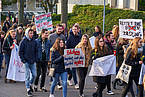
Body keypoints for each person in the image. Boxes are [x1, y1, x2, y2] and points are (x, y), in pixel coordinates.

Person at [19, 28, 38, 97]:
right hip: (26, 61)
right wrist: (23, 60)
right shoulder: (23, 41)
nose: (32, 35)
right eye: (30, 33)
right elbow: (20, 51)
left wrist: (36, 58)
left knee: (34, 75)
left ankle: (30, 84)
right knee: (27, 76)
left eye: (32, 33)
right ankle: (28, 89)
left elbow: (36, 50)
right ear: (27, 33)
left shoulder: (34, 41)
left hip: (33, 61)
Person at [48, 24, 65, 89]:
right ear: (56, 28)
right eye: (59, 29)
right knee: (53, 67)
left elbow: (63, 45)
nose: (60, 30)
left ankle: (57, 82)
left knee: (57, 68)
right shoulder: (51, 36)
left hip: (60, 53)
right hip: (52, 52)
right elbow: (48, 45)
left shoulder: (63, 36)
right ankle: (54, 80)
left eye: (61, 29)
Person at [66, 25, 82, 89]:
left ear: (78, 30)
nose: (74, 31)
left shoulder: (80, 36)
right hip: (72, 55)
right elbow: (67, 46)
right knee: (74, 69)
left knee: (76, 70)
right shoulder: (70, 37)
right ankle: (76, 83)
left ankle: (69, 78)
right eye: (73, 29)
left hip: (79, 55)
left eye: (75, 29)